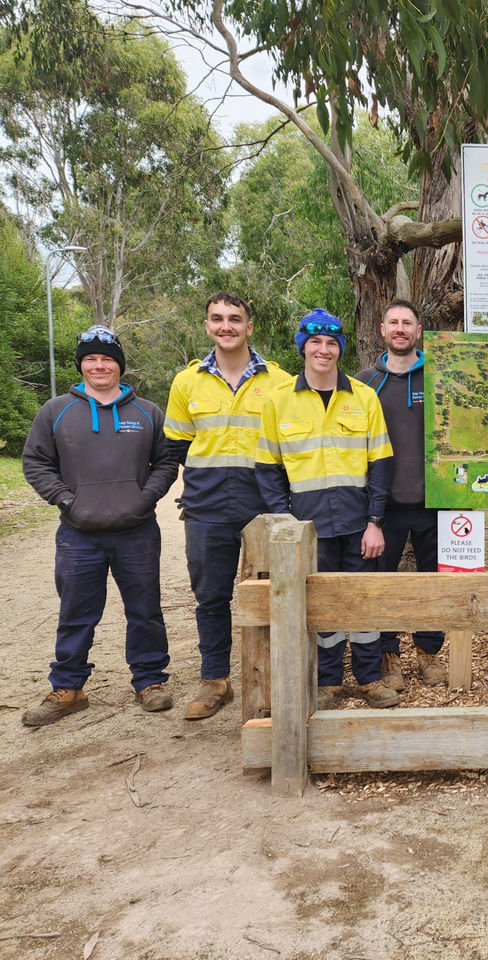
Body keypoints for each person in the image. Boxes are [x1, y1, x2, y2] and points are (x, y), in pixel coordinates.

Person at [21, 326, 179, 725]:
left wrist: (146, 498)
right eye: (91, 358)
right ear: (81, 365)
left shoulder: (147, 412)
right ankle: (68, 688)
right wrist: (64, 498)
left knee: (144, 611)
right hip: (78, 534)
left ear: (119, 365)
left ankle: (149, 681)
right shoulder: (56, 412)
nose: (99, 365)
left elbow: (166, 461)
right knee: (76, 613)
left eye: (107, 358)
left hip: (137, 531)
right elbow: (36, 462)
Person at [255, 310, 398, 710]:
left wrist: (375, 522)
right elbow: (268, 470)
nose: (324, 349)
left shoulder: (363, 397)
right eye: (315, 342)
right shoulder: (279, 401)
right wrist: (286, 525)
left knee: (362, 602)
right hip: (308, 527)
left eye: (332, 343)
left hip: (358, 523)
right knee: (320, 607)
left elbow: (381, 463)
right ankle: (329, 681)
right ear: (303, 346)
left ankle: (370, 679)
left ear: (340, 349)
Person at [164, 292, 293, 720]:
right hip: (207, 506)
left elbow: (289, 445)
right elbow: (177, 446)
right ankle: (214, 679)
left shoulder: (280, 382)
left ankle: (277, 676)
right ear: (206, 325)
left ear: (249, 326)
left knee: (275, 594)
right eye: (217, 319)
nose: (226, 326)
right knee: (211, 597)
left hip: (265, 504)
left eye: (235, 319)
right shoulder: (187, 383)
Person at [356, 299, 447, 690]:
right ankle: (388, 655)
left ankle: (429, 652)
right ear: (382, 329)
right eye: (393, 322)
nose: (400, 329)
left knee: (435, 581)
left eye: (407, 323)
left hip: (436, 502)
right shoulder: (364, 383)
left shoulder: (440, 378)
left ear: (418, 331)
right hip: (382, 506)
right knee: (383, 583)